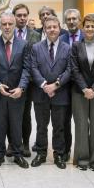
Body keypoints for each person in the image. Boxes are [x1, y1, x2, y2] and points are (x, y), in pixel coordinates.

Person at [30, 15, 71, 169]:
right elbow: (33, 68)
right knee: (41, 125)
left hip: (60, 94)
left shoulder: (67, 48)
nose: (52, 30)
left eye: (55, 27)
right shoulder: (36, 47)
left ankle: (59, 154)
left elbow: (69, 69)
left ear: (59, 28)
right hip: (41, 94)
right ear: (44, 30)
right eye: (49, 27)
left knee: (59, 126)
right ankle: (41, 153)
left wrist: (56, 85)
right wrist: (44, 85)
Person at [0, 12, 30, 169]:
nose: (7, 27)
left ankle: (17, 154)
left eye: (10, 24)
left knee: (16, 124)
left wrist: (21, 87)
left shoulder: (24, 44)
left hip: (17, 93)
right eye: (4, 24)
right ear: (0, 26)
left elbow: (27, 68)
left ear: (15, 25)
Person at [70, 15, 94, 171]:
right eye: (87, 26)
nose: (90, 29)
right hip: (80, 91)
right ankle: (83, 158)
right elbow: (74, 69)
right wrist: (85, 88)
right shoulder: (76, 46)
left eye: (93, 26)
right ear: (82, 28)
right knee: (81, 125)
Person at [12, 3, 40, 157]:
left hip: (28, 83)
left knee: (25, 115)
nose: (22, 18)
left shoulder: (35, 35)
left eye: (24, 15)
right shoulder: (8, 32)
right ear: (14, 16)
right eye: (19, 15)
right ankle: (11, 143)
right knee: (10, 114)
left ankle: (25, 144)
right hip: (10, 81)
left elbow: (35, 60)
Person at [61, 8, 83, 161]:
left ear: (79, 20)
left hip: (83, 87)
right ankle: (65, 150)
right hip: (64, 86)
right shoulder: (60, 38)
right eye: (68, 19)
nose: (71, 21)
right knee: (64, 120)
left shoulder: (88, 37)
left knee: (82, 121)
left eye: (74, 18)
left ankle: (83, 151)